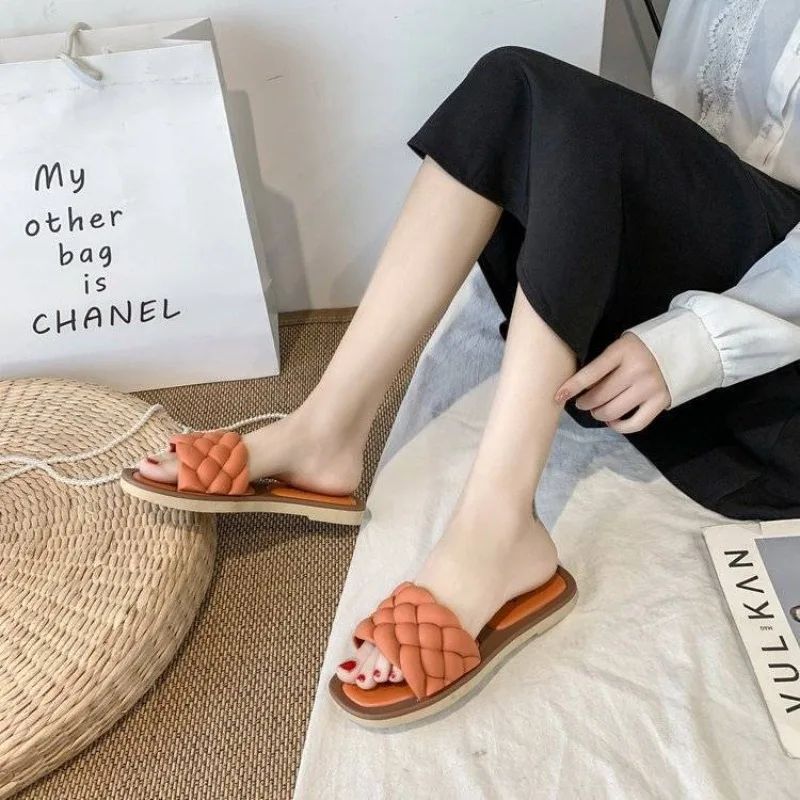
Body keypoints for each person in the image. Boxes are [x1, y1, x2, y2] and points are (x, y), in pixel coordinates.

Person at [126, 2, 800, 724]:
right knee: (511, 82)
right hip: (738, 228)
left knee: (579, 118)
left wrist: (700, 339)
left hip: (776, 371)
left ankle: (497, 531)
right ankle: (326, 431)